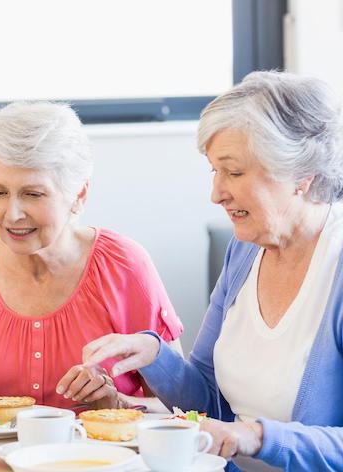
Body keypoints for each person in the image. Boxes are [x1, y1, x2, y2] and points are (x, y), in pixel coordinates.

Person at [83, 71, 343, 471]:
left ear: (301, 175)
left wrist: (255, 436)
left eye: (234, 172)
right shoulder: (244, 250)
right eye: (213, 171)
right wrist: (154, 355)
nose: (216, 193)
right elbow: (206, 401)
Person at [0, 102, 184, 413]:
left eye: (33, 194)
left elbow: (182, 409)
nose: (13, 214)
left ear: (79, 195)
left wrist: (118, 405)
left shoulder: (125, 266)